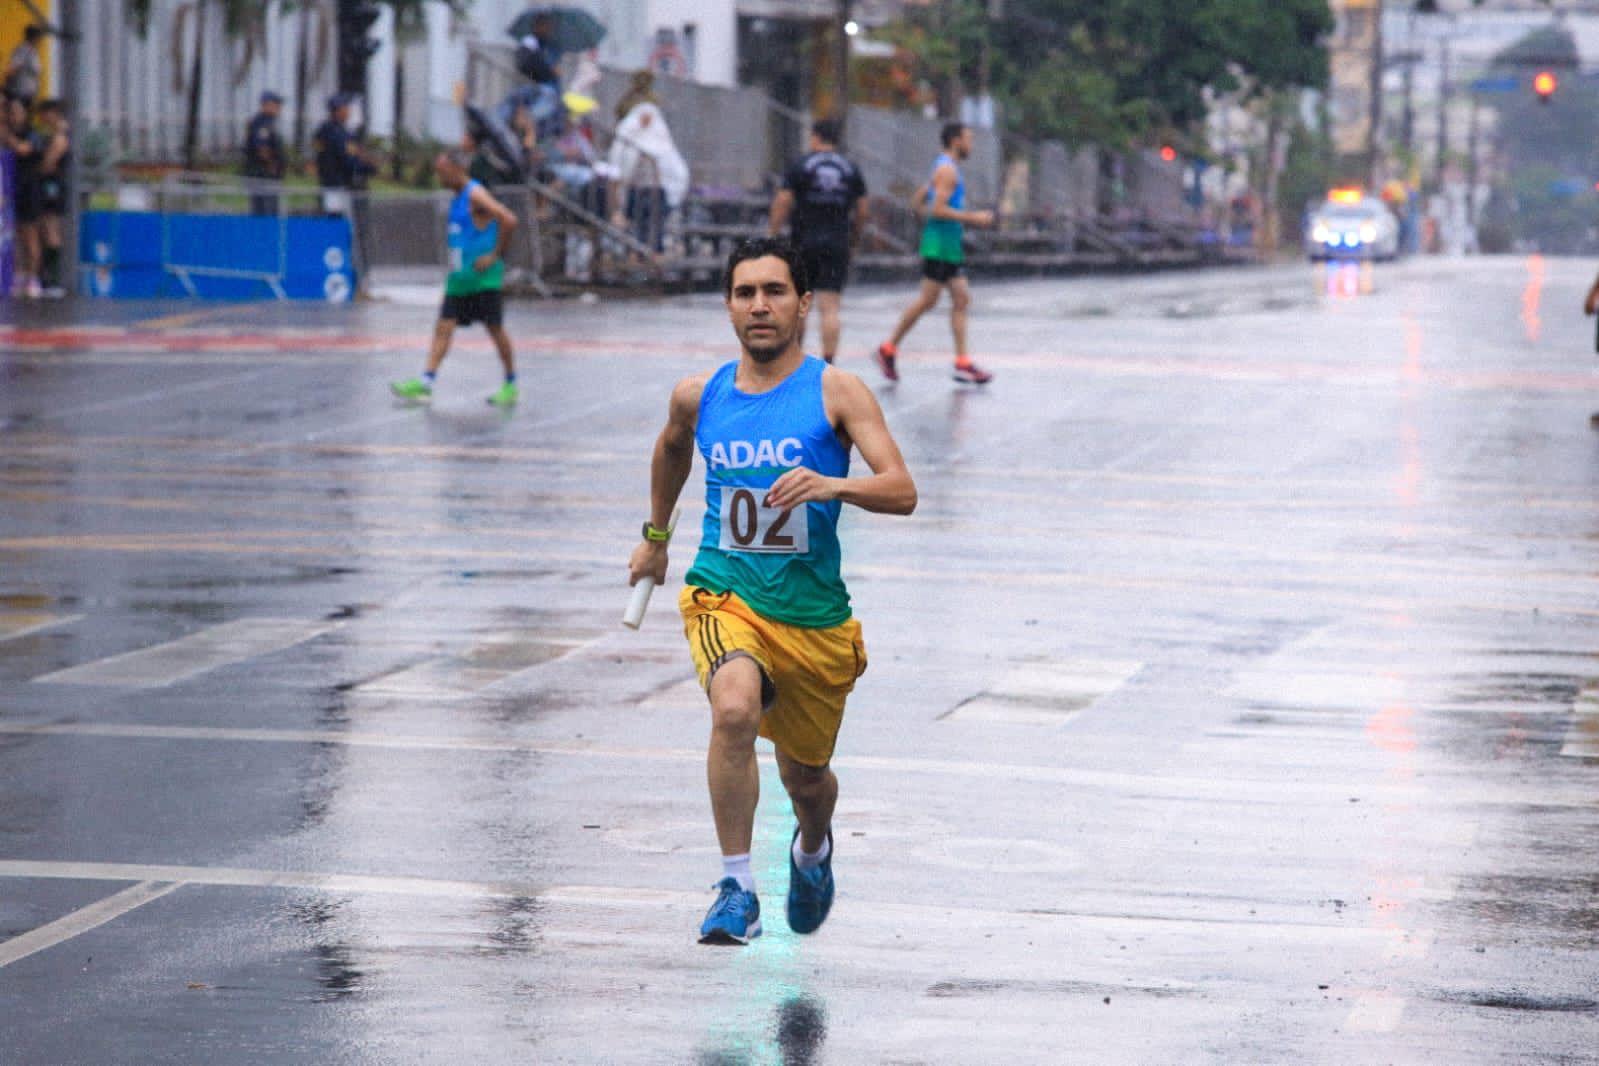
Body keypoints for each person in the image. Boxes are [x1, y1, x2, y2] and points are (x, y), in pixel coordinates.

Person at [627, 237, 917, 945]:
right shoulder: (700, 394)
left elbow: (902, 490)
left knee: (807, 781)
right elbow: (671, 448)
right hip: (724, 592)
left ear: (803, 303)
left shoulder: (836, 391)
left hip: (813, 618)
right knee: (732, 710)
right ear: (728, 305)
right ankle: (736, 886)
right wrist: (656, 538)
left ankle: (811, 850)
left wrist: (834, 482)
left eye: (775, 291)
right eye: (744, 292)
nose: (759, 305)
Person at [390, 150, 521, 407]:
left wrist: (494, 255)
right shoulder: (458, 196)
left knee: (495, 329)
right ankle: (425, 382)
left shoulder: (475, 194)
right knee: (443, 327)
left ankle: (511, 382)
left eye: (442, 171)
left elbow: (508, 219)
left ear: (457, 169)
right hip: (460, 280)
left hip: (483, 280)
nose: (439, 177)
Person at [875, 122, 997, 385]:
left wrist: (930, 199)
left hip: (948, 245)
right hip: (940, 246)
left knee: (961, 299)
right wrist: (973, 217)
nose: (971, 145)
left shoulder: (943, 169)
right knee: (929, 300)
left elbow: (918, 203)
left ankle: (962, 362)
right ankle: (887, 348)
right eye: (968, 139)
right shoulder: (946, 170)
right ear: (955, 141)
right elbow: (937, 210)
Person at [768, 118, 868, 365]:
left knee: (799, 305)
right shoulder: (851, 168)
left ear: (815, 137)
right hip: (837, 242)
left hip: (804, 242)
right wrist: (854, 238)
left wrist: (773, 234)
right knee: (830, 307)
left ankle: (793, 361)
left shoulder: (801, 165)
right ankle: (829, 362)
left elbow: (783, 201)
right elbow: (863, 210)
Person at [609, 86, 688, 256]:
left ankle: (653, 252)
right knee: (641, 215)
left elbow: (674, 170)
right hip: (633, 192)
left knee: (655, 211)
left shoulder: (661, 139)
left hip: (655, 193)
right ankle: (636, 252)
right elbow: (619, 169)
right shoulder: (627, 138)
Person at [4, 94, 44, 298]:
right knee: (16, 235)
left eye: (16, 112)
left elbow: (23, 150)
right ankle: (19, 276)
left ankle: (34, 277)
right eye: (11, 112)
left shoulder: (32, 134)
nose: (13, 116)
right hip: (12, 189)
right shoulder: (11, 132)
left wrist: (6, 136)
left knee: (30, 235)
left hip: (29, 189)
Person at [33, 98, 68, 297]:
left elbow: (48, 162)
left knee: (50, 229)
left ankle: (51, 278)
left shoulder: (59, 135)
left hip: (52, 186)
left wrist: (41, 166)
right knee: (47, 230)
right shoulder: (52, 134)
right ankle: (47, 277)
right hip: (50, 184)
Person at [242, 90, 286, 216]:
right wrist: (273, 166)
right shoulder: (262, 123)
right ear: (266, 105)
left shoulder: (268, 122)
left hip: (266, 176)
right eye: (276, 104)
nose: (279, 108)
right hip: (263, 175)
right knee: (266, 212)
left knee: (269, 210)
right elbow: (262, 149)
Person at [3, 25, 45, 105]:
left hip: (28, 95)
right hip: (20, 94)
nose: (40, 41)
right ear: (34, 37)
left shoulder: (33, 51)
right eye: (39, 37)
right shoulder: (24, 50)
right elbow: (12, 67)